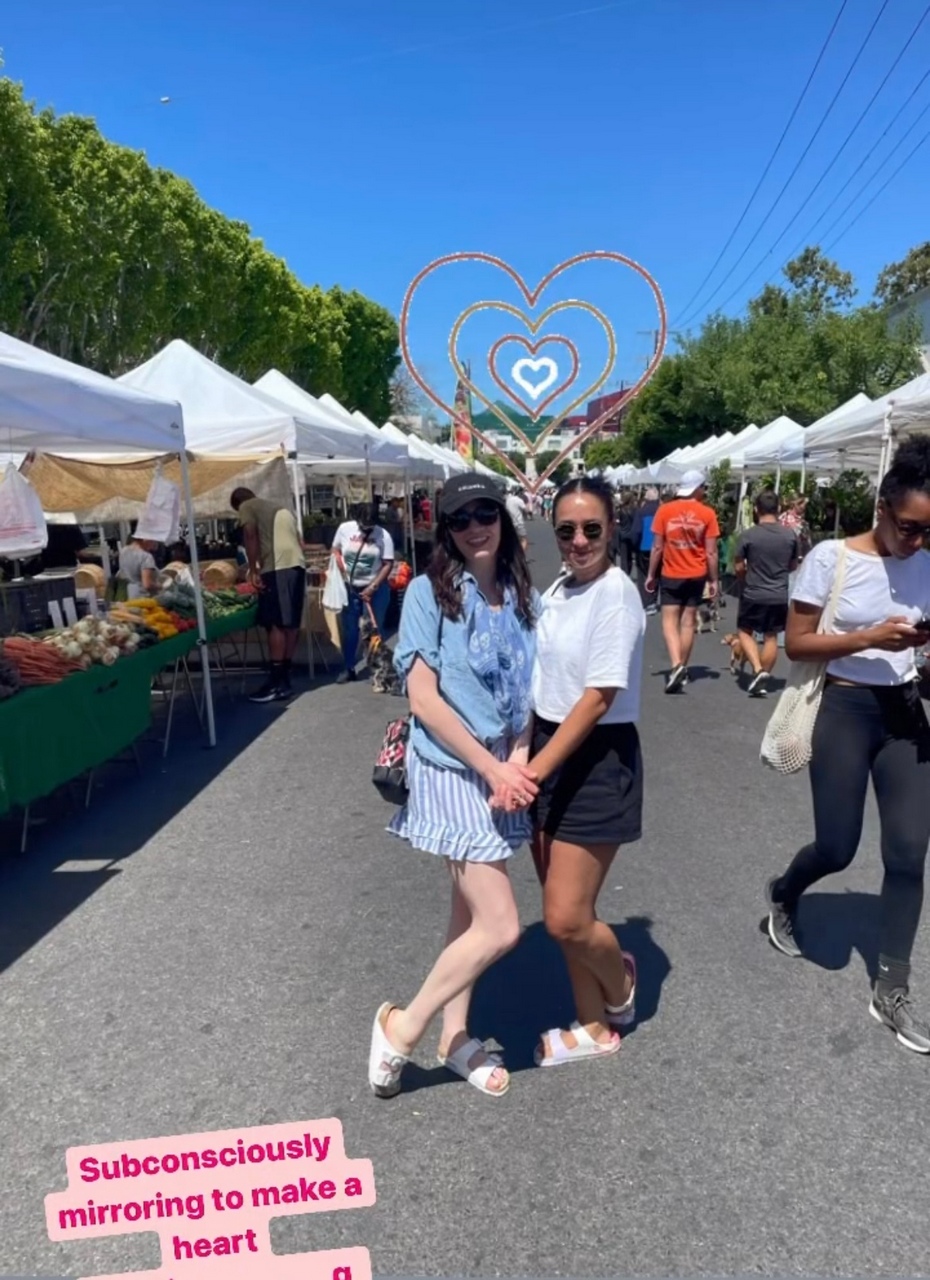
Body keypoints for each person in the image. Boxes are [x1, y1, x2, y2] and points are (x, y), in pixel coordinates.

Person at [368, 473, 539, 1099]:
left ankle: (455, 1036)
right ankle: (403, 1026)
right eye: (460, 519)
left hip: (501, 767)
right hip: (448, 766)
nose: (475, 527)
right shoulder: (425, 592)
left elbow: (529, 695)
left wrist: (516, 762)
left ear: (503, 516)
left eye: (485, 512)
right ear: (445, 530)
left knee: (467, 912)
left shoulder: (523, 595)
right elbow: (424, 699)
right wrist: (492, 768)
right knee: (501, 925)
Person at [765, 437, 930, 1054]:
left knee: (910, 855)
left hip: (905, 714)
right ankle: (784, 891)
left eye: (927, 531)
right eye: (909, 527)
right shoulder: (832, 558)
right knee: (837, 845)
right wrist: (867, 640)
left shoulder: (928, 563)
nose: (916, 541)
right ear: (882, 507)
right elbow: (797, 644)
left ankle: (892, 987)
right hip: (843, 706)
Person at [522, 475, 645, 1066]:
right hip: (548, 745)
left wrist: (535, 769)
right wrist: (526, 752)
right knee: (563, 915)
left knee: (566, 917)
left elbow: (598, 696)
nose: (578, 541)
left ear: (611, 528)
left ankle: (619, 983)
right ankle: (594, 1027)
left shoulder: (614, 594)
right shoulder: (559, 589)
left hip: (594, 755)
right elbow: (543, 681)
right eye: (566, 530)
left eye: (590, 528)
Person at [644, 470, 720, 692]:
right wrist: (714, 580)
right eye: (703, 487)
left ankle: (676, 664)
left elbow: (657, 547)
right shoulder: (707, 514)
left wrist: (651, 574)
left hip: (672, 572)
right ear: (696, 488)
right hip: (696, 573)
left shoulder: (665, 511)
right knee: (688, 622)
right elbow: (712, 553)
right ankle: (682, 666)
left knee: (669, 621)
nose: (704, 491)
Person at [230, 487, 306, 704]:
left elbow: (250, 535)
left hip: (277, 566)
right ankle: (284, 676)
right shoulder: (279, 507)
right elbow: (301, 542)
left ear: (237, 504)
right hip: (296, 565)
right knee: (290, 623)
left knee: (275, 623)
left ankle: (276, 682)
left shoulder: (246, 506)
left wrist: (253, 569)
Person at [734, 490, 799, 696]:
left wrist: (746, 576)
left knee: (745, 631)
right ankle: (761, 677)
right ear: (778, 509)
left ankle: (758, 669)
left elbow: (737, 567)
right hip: (778, 593)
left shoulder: (748, 535)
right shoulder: (790, 535)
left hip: (754, 592)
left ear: (756, 509)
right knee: (771, 636)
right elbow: (793, 564)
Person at [331, 503, 395, 684]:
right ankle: (349, 667)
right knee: (350, 629)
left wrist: (373, 586)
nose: (366, 528)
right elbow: (335, 548)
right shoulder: (345, 529)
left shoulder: (384, 536)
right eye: (363, 525)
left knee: (373, 630)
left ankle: (377, 670)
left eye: (370, 525)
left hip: (376, 589)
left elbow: (388, 563)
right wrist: (339, 562)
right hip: (351, 588)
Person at [118, 533, 160, 599]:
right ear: (145, 539)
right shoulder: (146, 556)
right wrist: (160, 586)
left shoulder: (123, 551)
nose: (153, 545)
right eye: (152, 541)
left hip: (127, 595)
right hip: (142, 599)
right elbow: (147, 584)